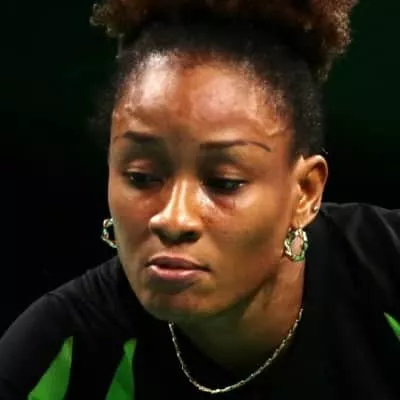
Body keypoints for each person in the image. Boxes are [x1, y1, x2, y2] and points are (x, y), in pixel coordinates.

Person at [0, 0, 399, 398]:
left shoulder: (387, 273)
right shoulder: (61, 352)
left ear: (306, 193)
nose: (173, 219)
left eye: (224, 183)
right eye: (141, 177)